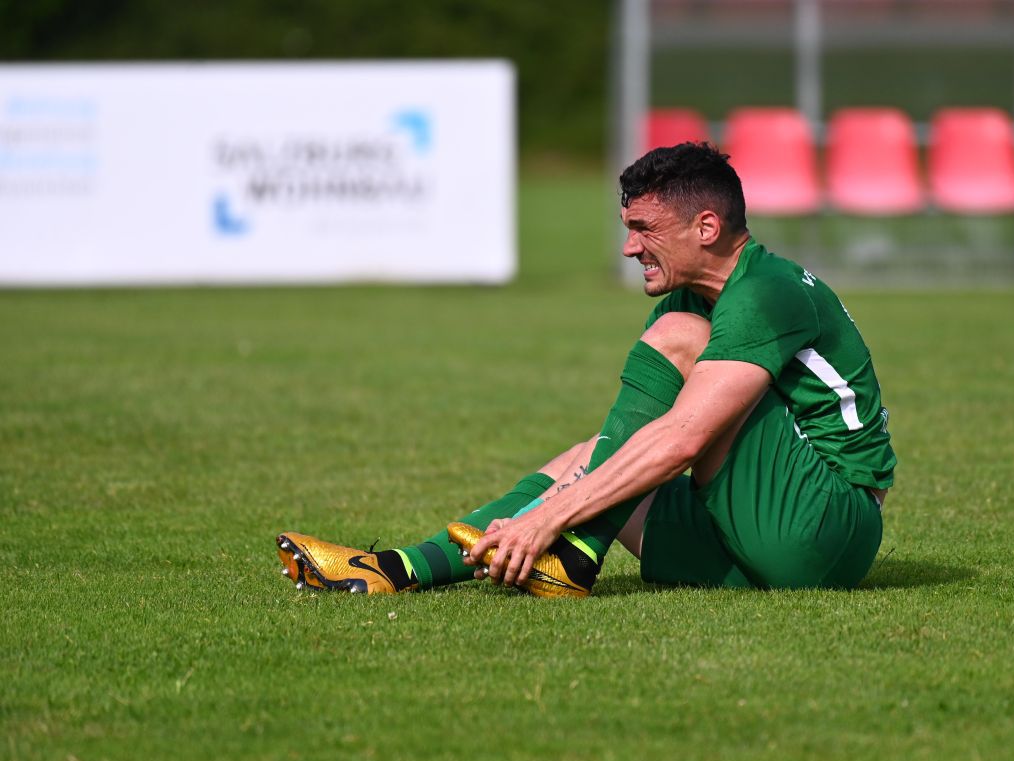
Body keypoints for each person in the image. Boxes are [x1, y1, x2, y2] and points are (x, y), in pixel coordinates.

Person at [276, 142, 896, 598]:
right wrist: (542, 512)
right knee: (590, 454)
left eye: (644, 229)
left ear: (707, 227)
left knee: (672, 355)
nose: (630, 247)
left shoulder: (764, 292)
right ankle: (396, 569)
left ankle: (575, 555)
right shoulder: (691, 297)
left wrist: (549, 517)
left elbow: (683, 440)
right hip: (761, 533)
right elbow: (644, 446)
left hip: (827, 529)